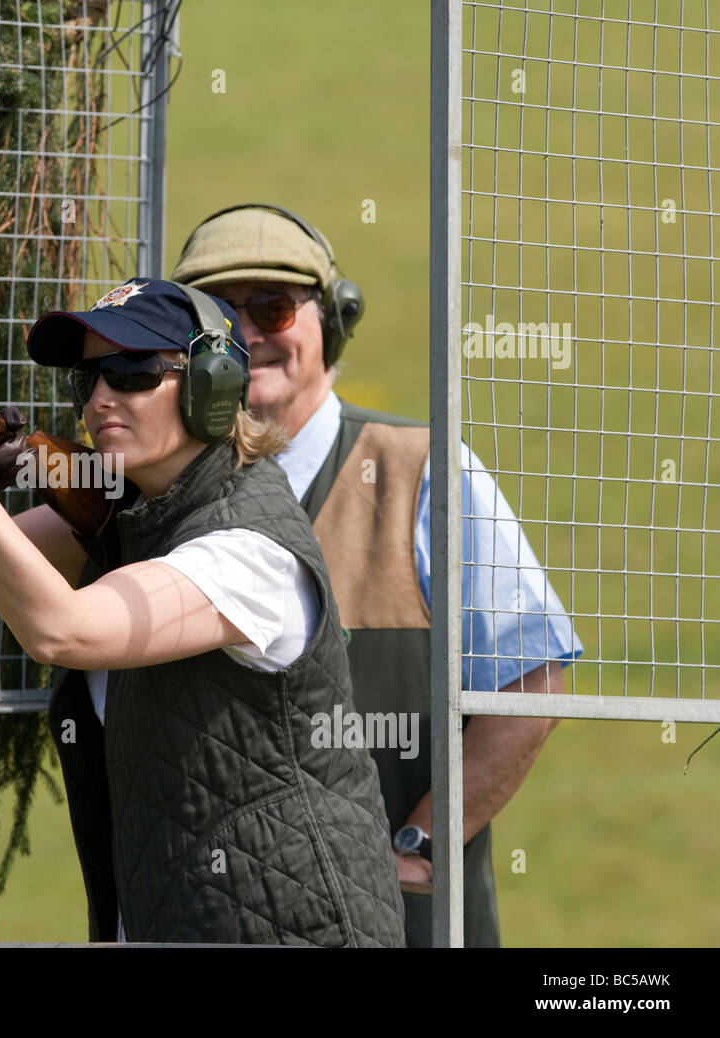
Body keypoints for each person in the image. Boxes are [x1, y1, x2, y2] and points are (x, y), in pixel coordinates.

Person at [0, 277, 405, 945]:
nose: (100, 398)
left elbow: (60, 630)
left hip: (289, 925)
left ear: (211, 384)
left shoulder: (249, 551)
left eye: (131, 371)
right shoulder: (127, 512)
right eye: (89, 376)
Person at [172, 204, 584, 947]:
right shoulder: (158, 495)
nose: (247, 334)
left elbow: (533, 682)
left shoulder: (426, 469)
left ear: (331, 321)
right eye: (214, 315)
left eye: (272, 306)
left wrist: (416, 853)